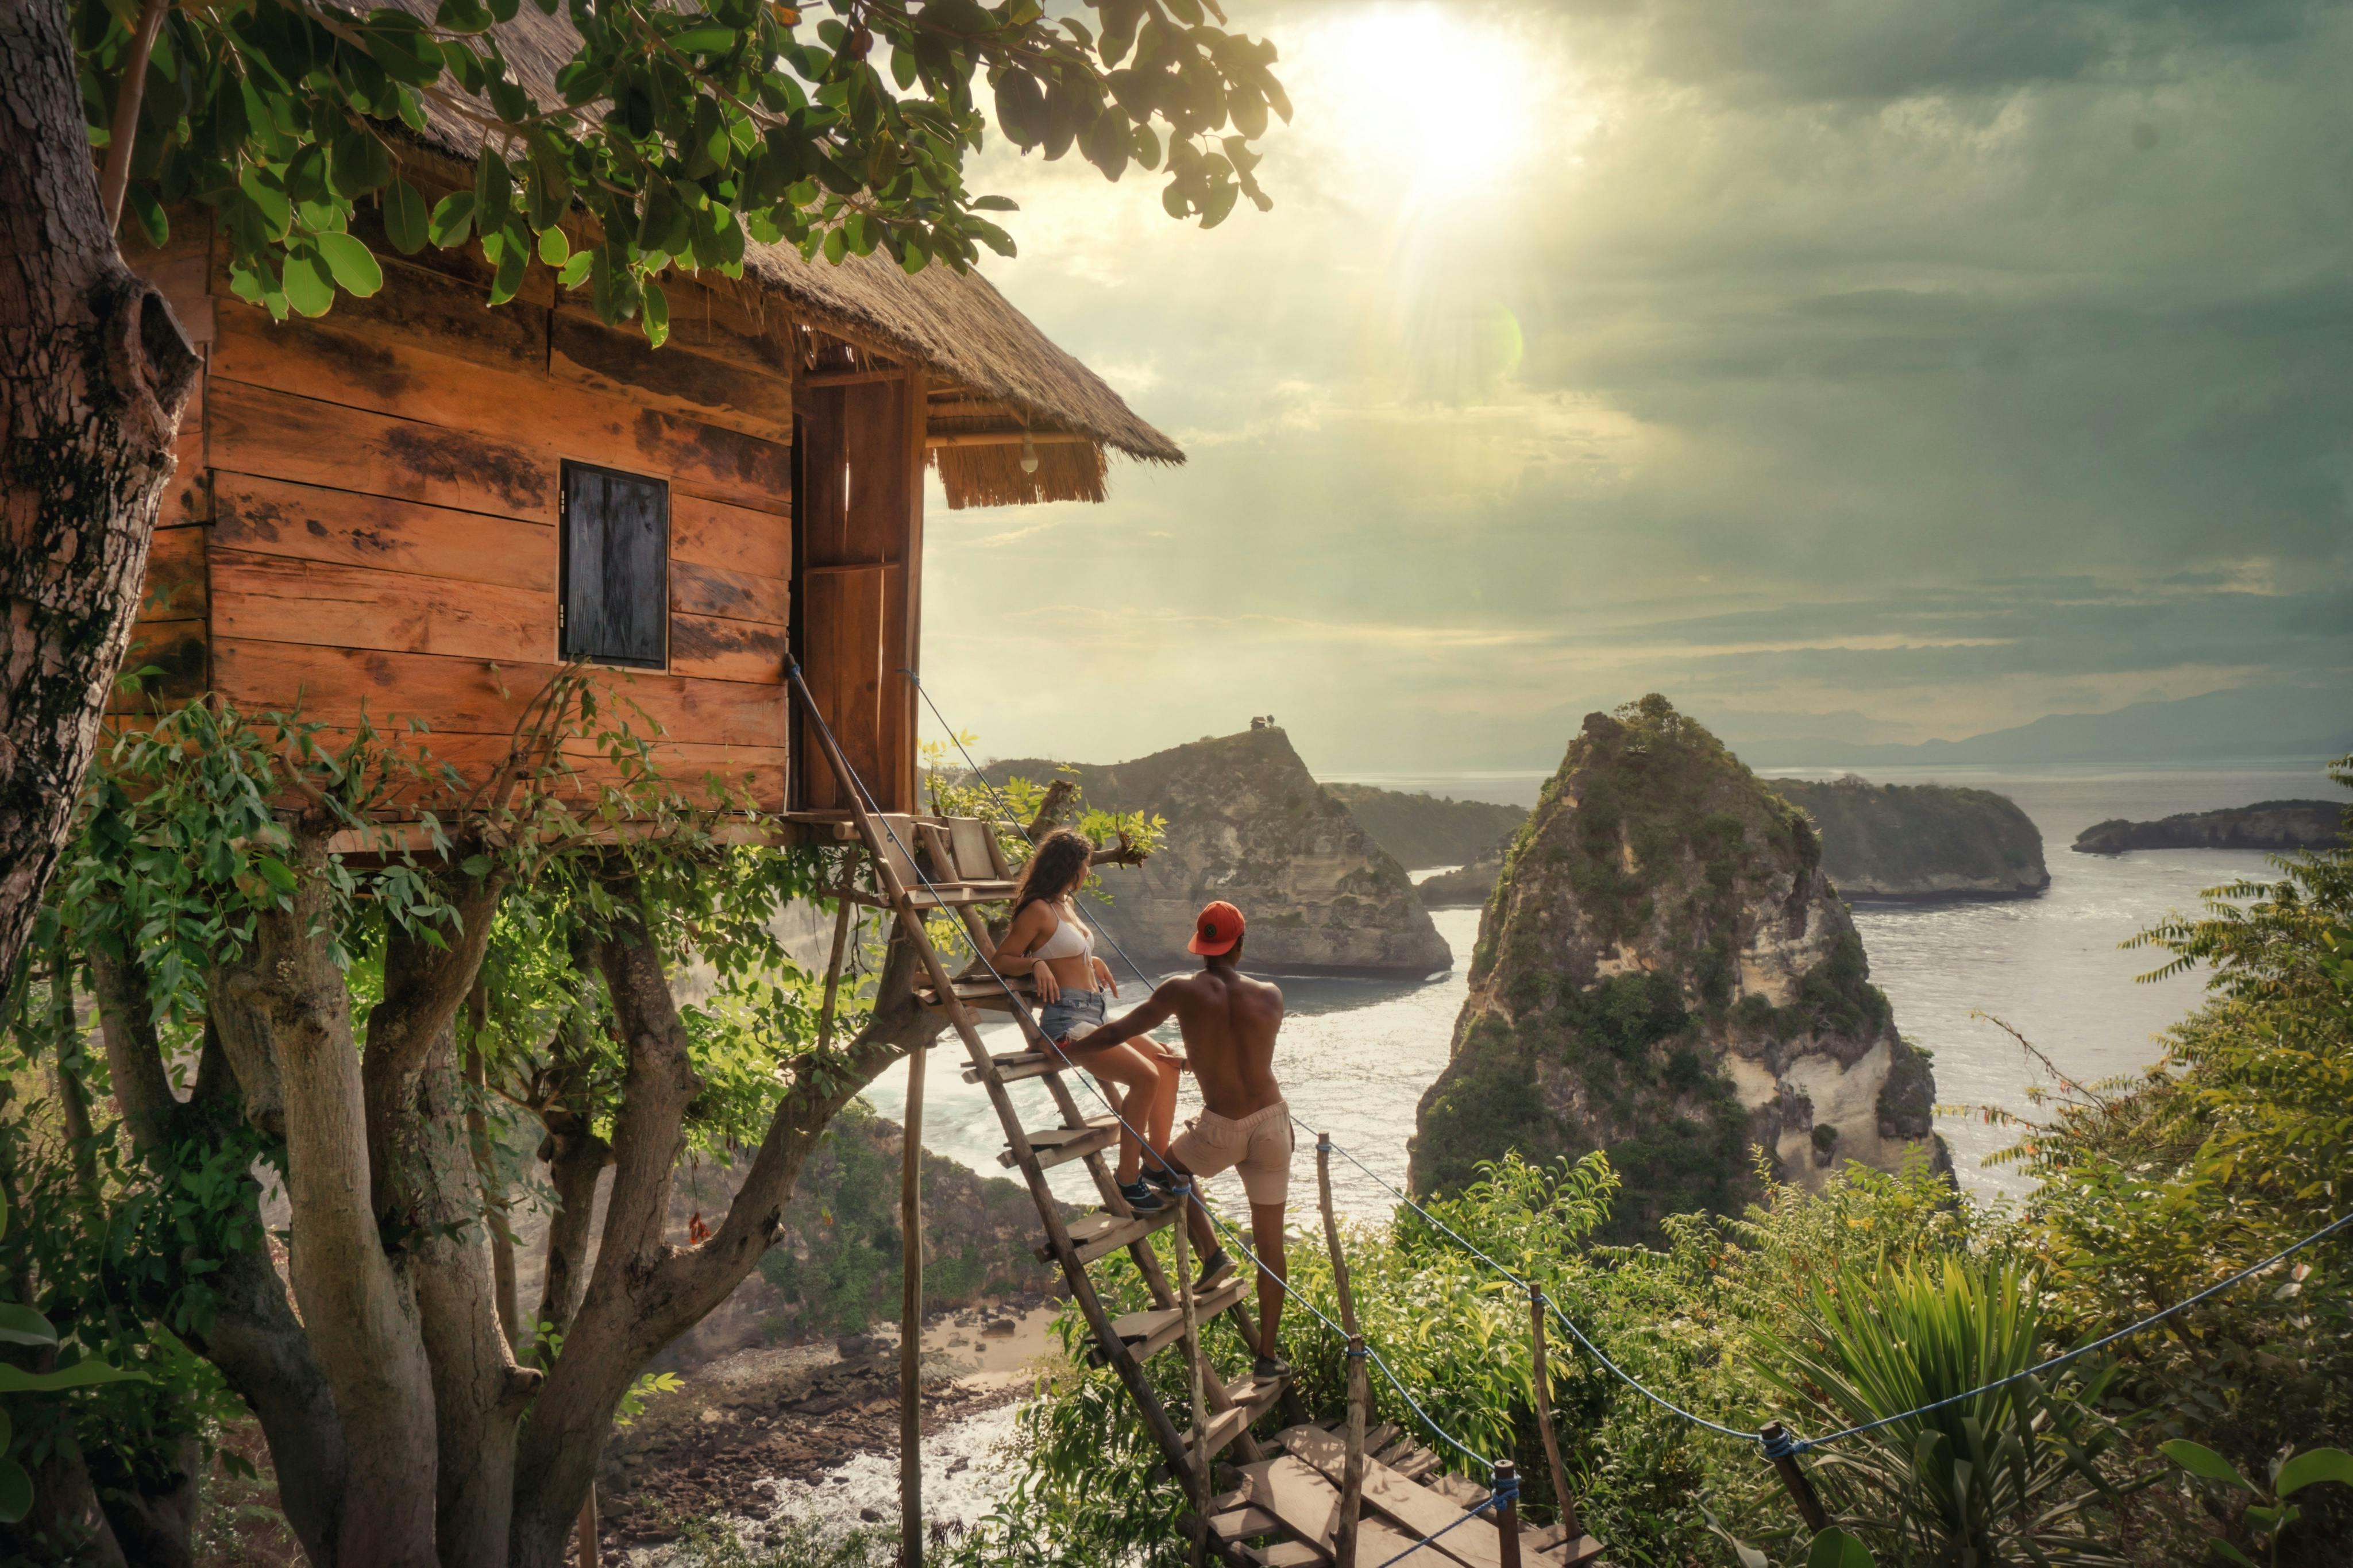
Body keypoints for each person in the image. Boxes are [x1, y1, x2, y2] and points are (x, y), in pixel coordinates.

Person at [1071, 899, 1295, 1379]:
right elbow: (1241, 1050)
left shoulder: (1181, 991)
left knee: (1165, 1170)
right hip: (1273, 1124)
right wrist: (1199, 1057)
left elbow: (1121, 1031)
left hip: (1222, 1128)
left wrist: (1070, 1049)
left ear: (1202, 946)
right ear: (1241, 942)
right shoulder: (1271, 995)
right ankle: (1268, 1359)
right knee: (1272, 1246)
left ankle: (1213, 1255)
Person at [985, 829, 1182, 1214]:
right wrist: (1036, 963)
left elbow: (1065, 951)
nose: (1089, 871)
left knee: (1166, 1063)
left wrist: (1089, 960)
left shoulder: (1065, 905)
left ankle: (1155, 1163)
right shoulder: (1037, 909)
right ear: (1071, 867)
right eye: (1086, 864)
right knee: (1147, 1078)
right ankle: (1128, 1179)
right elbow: (1000, 960)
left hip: (1095, 1012)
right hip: (1067, 1022)